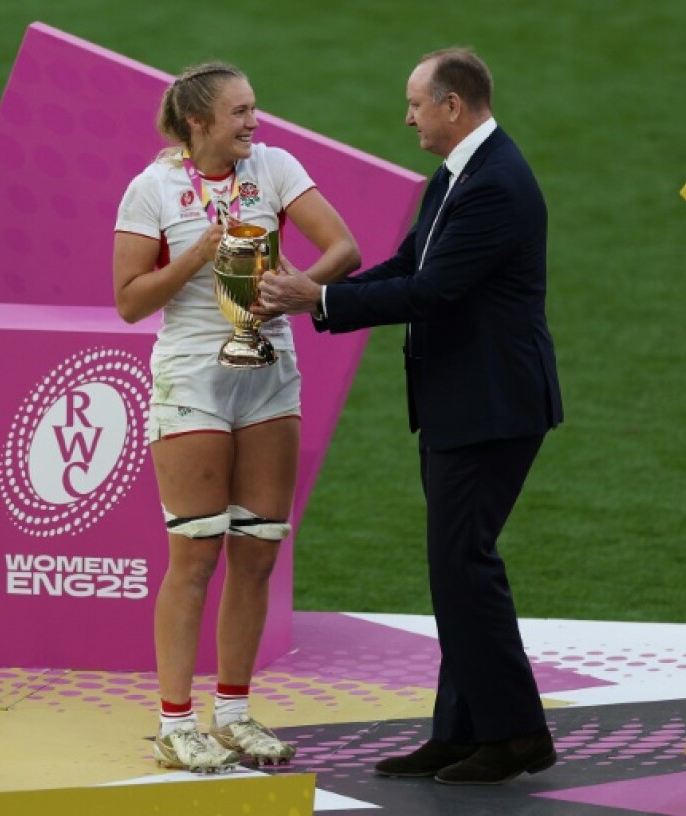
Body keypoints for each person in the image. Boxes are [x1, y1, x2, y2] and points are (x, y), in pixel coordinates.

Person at [259, 47, 563, 786]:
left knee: (465, 565)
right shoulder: (460, 175)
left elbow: (434, 293)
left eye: (416, 103)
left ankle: (517, 734)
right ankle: (461, 732)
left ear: (453, 105)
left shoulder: (495, 186)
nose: (407, 117)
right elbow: (409, 267)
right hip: (466, 404)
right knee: (456, 569)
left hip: (492, 407)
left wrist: (319, 301)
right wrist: (320, 291)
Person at [113, 61, 360, 772]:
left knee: (257, 554)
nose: (255, 122)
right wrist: (198, 251)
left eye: (255, 109)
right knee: (195, 554)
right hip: (193, 376)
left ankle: (234, 713)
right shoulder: (153, 188)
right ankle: (174, 722)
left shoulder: (276, 167)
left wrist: (299, 289)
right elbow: (129, 300)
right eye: (240, 113)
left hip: (270, 375)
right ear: (198, 121)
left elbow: (346, 247)